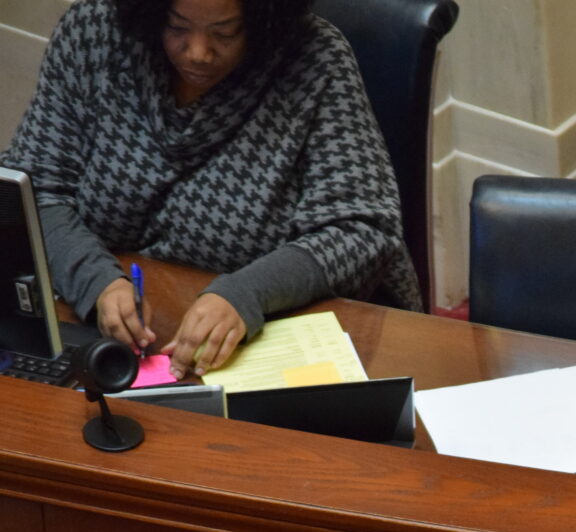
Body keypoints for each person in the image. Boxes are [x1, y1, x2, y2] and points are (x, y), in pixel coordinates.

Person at [1, 0, 420, 379]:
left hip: (259, 344)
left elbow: (363, 227)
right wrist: (95, 281)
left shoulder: (315, 62)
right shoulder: (94, 34)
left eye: (225, 32)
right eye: (177, 27)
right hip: (112, 337)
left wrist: (248, 292)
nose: (198, 52)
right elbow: (34, 189)